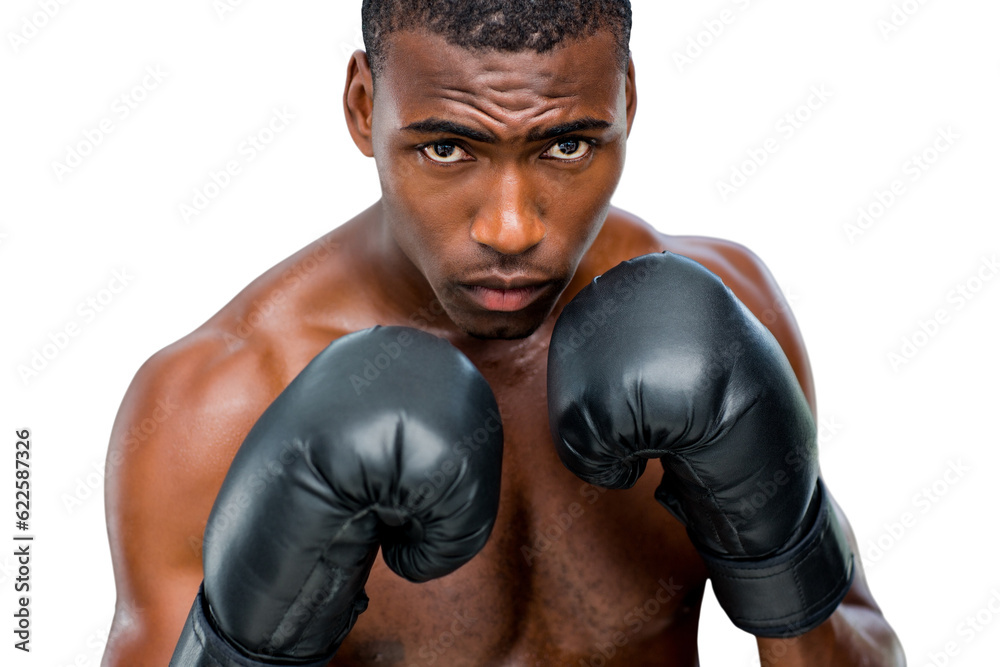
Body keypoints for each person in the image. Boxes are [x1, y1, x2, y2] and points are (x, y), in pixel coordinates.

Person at [102, 1, 904, 665]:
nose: (512, 228)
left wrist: (781, 559)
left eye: (566, 145)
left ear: (627, 99)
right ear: (361, 106)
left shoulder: (727, 320)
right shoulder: (218, 405)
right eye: (448, 148)